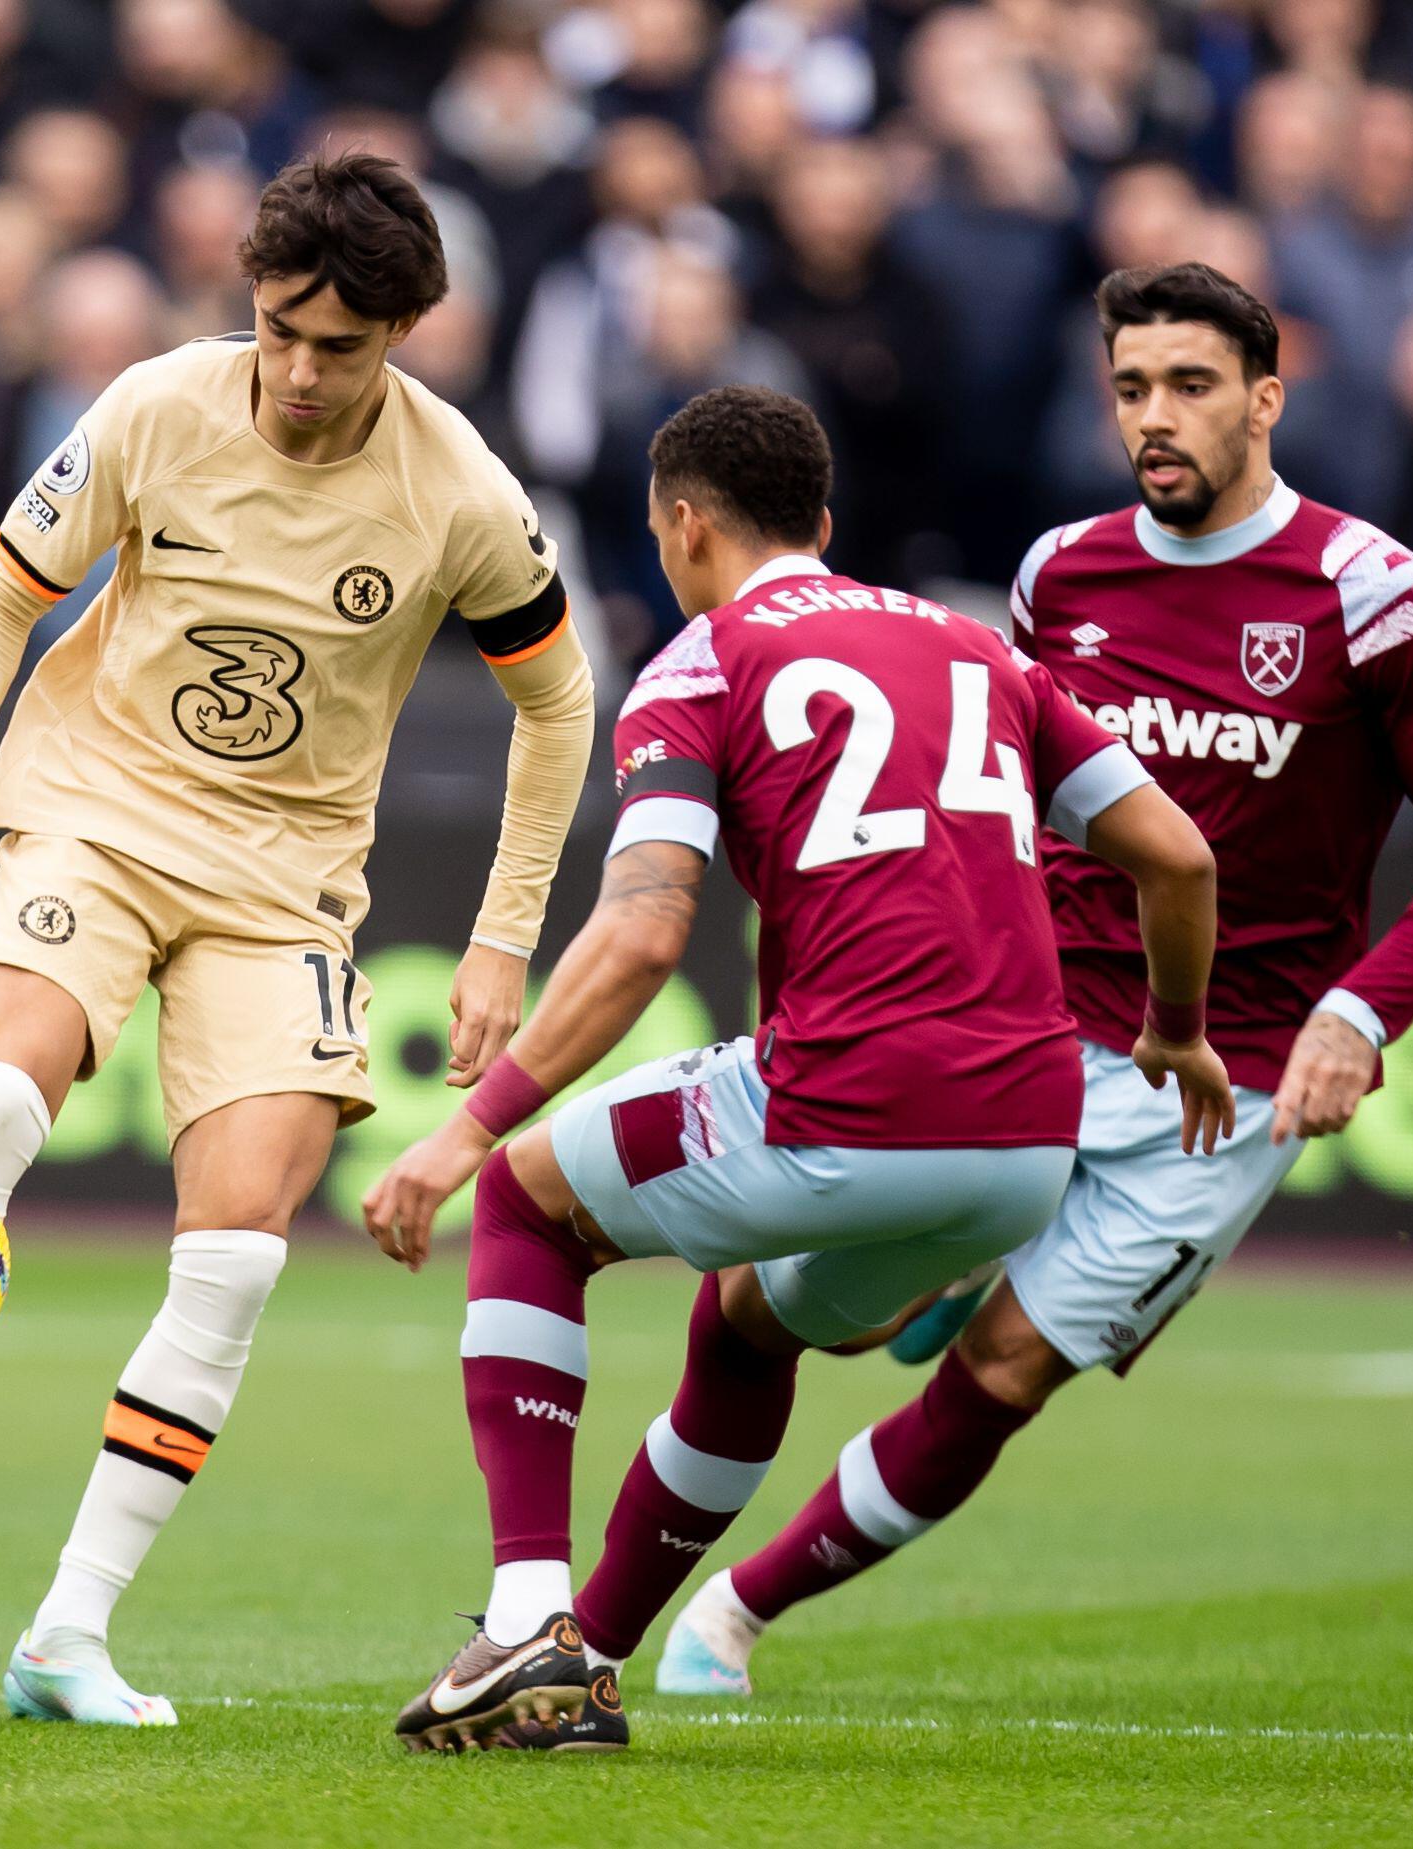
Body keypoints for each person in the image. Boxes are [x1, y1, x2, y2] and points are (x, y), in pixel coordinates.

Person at [0, 153, 596, 1728]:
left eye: (338, 347)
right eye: (279, 330)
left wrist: (503, 937)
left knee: (232, 1257)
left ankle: (66, 1638)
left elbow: (558, 702)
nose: (297, 372)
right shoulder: (160, 404)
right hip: (92, 815)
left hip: (284, 889)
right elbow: (0, 600)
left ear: (406, 333)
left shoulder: (462, 496)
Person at [654, 262, 1413, 1698]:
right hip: (1027, 1030)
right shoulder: (1057, 574)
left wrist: (1359, 1011)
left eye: (1188, 386)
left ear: (1264, 397)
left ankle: (729, 1618)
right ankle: (923, 1272)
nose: (1154, 417)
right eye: (1129, 389)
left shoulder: (1368, 590)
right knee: (778, 1308)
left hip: (1226, 1080)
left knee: (1000, 1374)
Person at [362, 385, 1230, 1754]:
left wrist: (463, 1129)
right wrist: (1175, 1027)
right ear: (822, 524)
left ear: (684, 524)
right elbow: (1178, 856)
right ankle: (586, 1661)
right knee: (747, 1322)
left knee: (529, 1203)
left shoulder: (704, 662)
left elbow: (643, 930)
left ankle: (526, 1613)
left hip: (846, 1101)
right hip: (1023, 1150)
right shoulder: (981, 654)